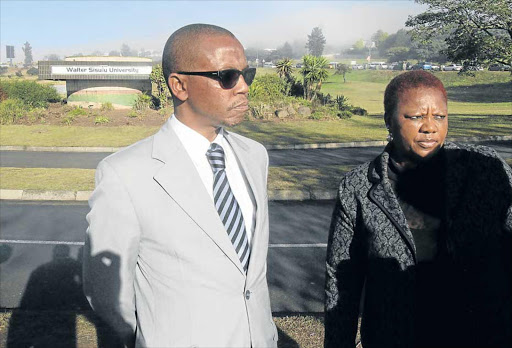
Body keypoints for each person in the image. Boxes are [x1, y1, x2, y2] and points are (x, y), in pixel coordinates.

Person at [83, 24, 278, 348]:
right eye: (228, 76)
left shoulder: (254, 156)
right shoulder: (124, 175)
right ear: (179, 85)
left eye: (248, 74)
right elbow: (107, 296)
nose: (244, 87)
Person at [324, 70, 512, 348]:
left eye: (439, 116)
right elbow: (341, 284)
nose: (429, 127)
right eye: (415, 117)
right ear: (388, 120)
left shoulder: (484, 169)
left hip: (483, 334)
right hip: (395, 337)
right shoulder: (358, 188)